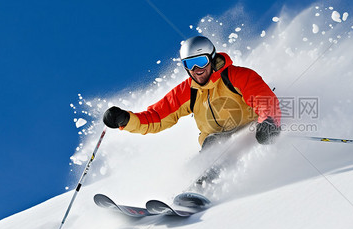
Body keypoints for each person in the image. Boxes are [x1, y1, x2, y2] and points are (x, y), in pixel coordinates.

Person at [103, 36, 281, 151]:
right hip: (214, 142)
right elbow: (156, 116)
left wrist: (268, 121)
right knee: (212, 146)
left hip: (249, 132)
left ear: (211, 58)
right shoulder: (187, 91)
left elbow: (264, 99)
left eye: (201, 61)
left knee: (218, 146)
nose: (196, 70)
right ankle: (197, 191)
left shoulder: (237, 76)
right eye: (190, 64)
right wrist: (125, 119)